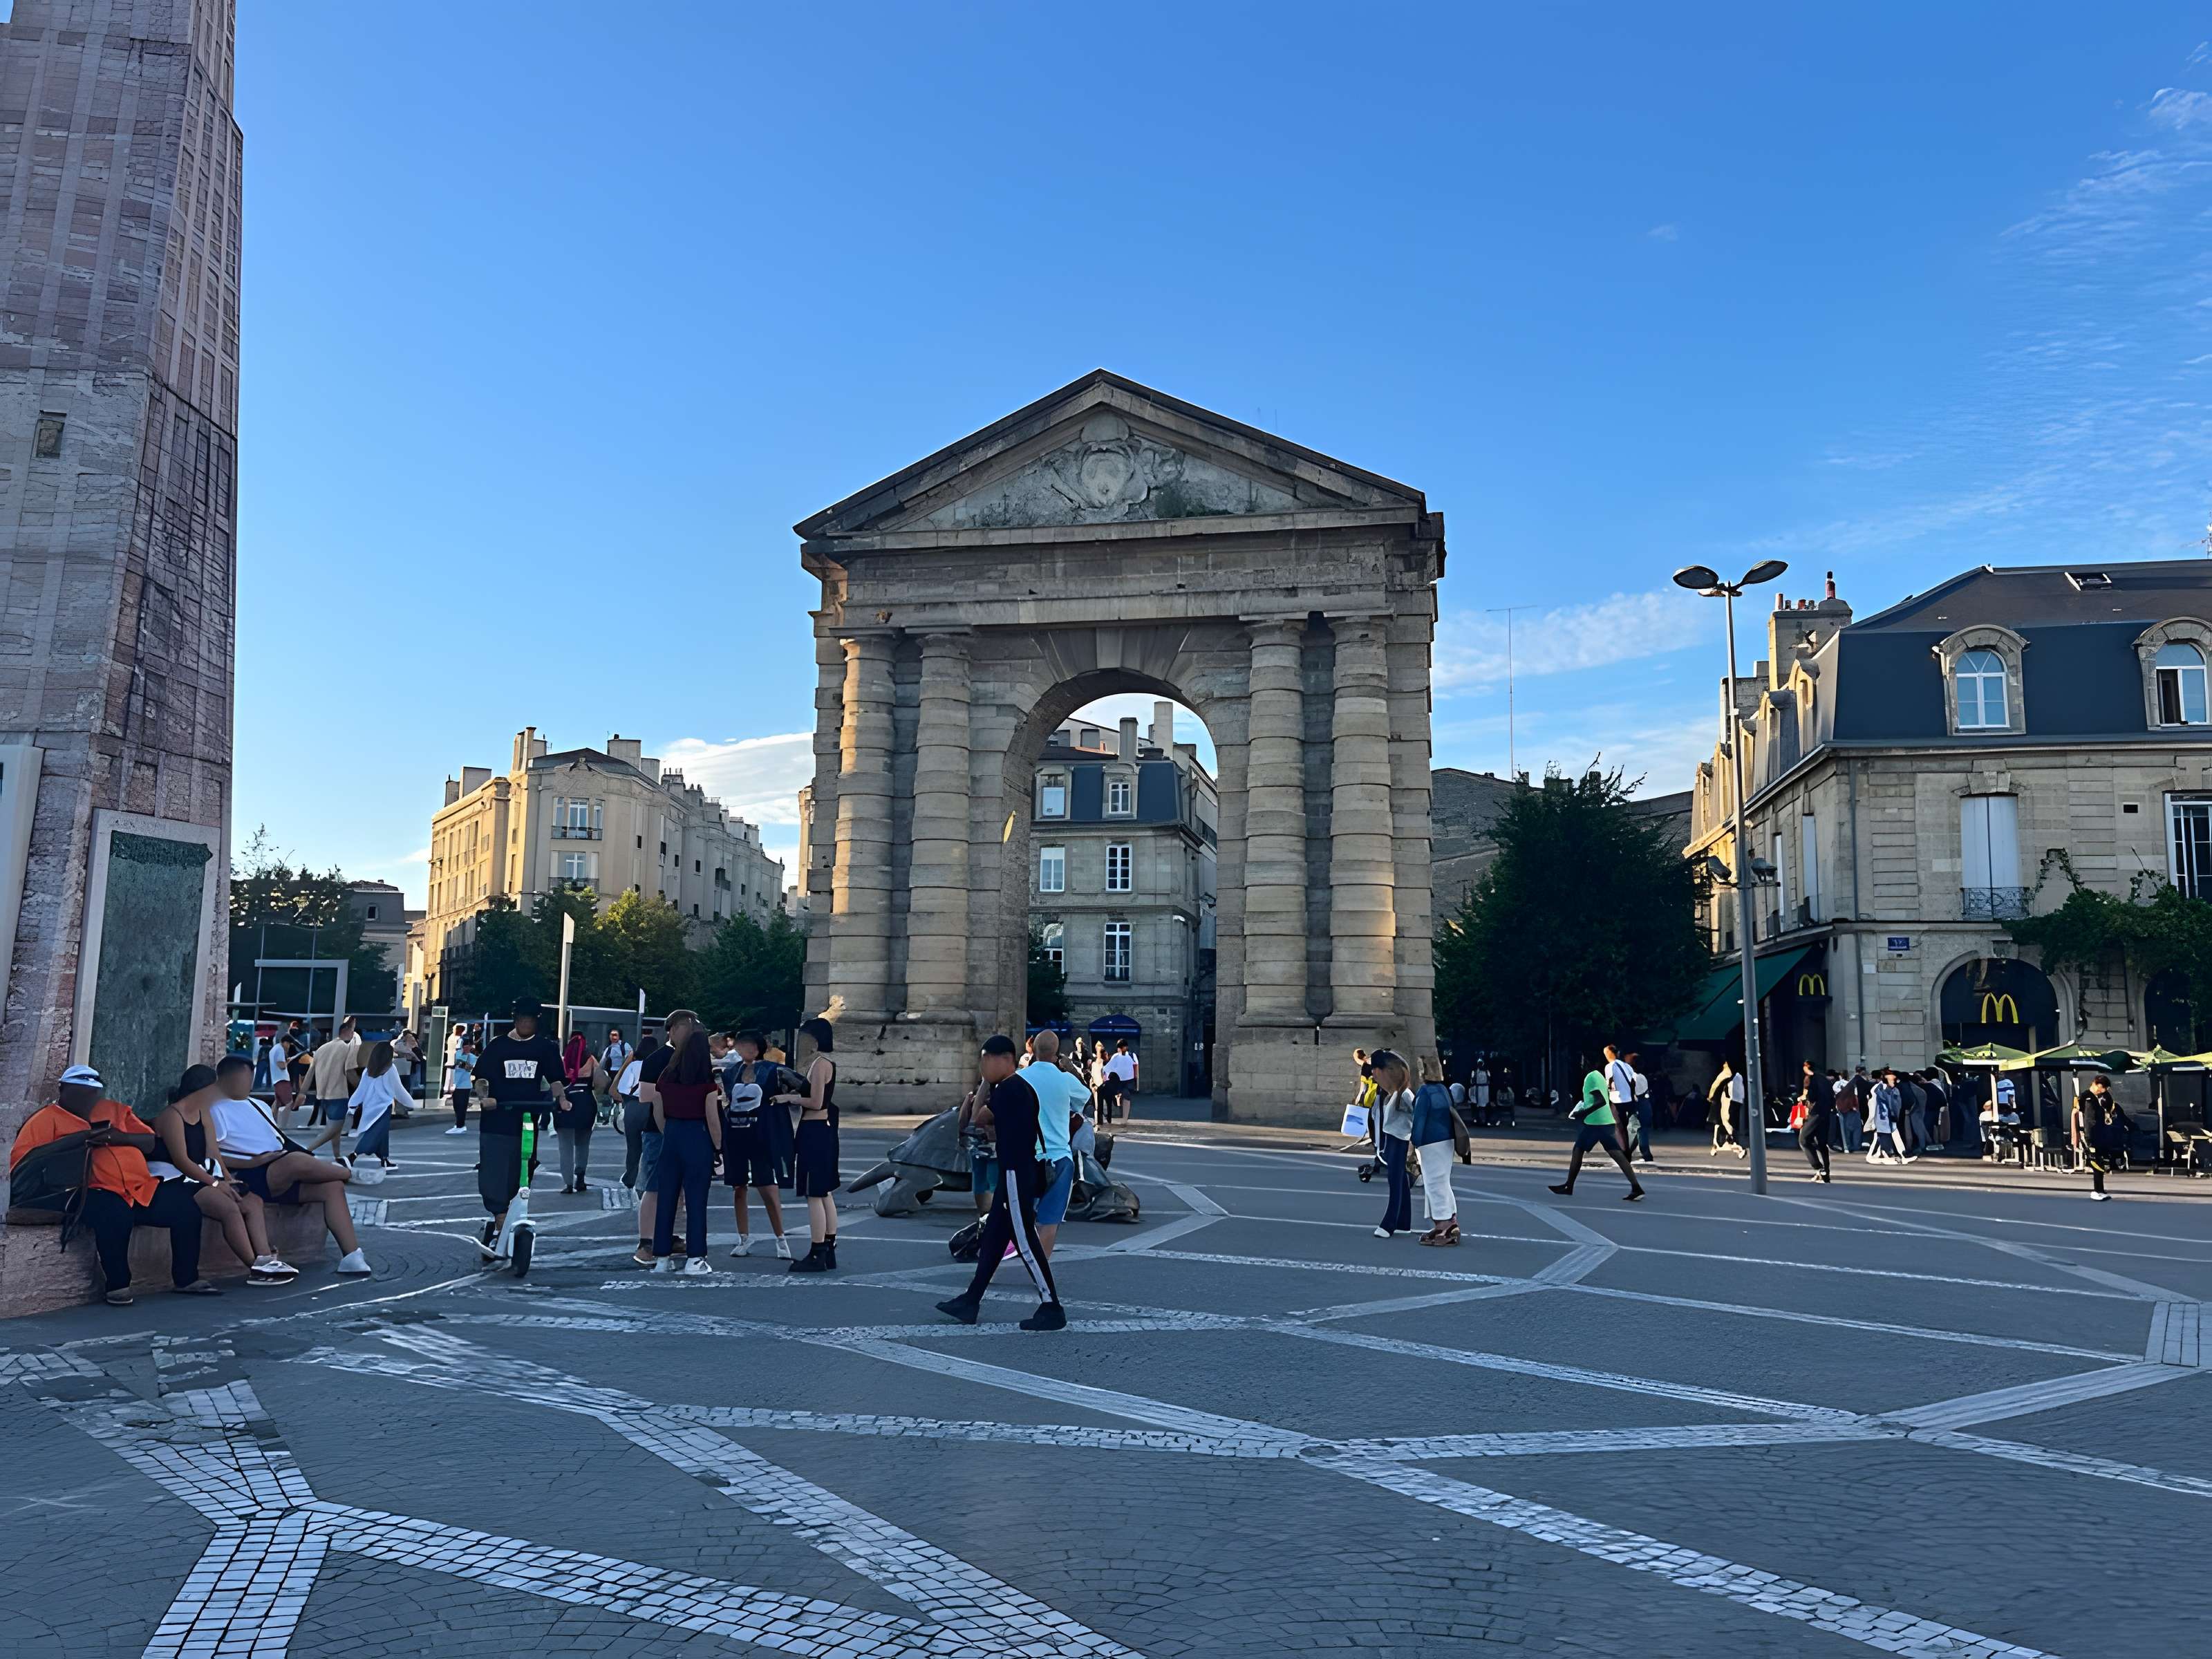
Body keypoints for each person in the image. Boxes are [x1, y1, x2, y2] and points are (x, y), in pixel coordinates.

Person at [9, 1064, 220, 1304]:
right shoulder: (45, 1119)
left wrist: (122, 1138)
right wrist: (77, 1143)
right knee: (114, 1213)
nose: (87, 1098)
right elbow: (24, 1165)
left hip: (137, 1187)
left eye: (92, 1092)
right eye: (79, 1091)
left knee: (184, 1207)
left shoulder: (113, 1111)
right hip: (86, 1190)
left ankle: (186, 1279)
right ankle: (118, 1285)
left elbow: (151, 1141)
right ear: (63, 1089)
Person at [935, 1034, 1066, 1330]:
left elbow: (977, 1118)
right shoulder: (1017, 1088)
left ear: (1004, 1059)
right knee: (994, 1239)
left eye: (985, 1060)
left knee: (1026, 1242)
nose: (982, 1067)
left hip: (1015, 1175)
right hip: (1017, 1172)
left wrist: (984, 1088)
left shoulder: (1009, 1091)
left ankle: (1051, 1306)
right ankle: (971, 1300)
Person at [207, 1055, 373, 1275]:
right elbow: (212, 1155)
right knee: (294, 1162)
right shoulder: (214, 1109)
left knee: (332, 1187)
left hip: (278, 1164)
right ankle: (347, 1172)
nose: (249, 1083)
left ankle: (352, 1256)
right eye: (244, 1078)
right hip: (250, 1172)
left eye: (251, 1077)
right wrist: (253, 1162)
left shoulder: (259, 1106)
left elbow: (276, 1139)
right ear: (227, 1079)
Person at [153, 1065, 295, 1284]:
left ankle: (266, 1259)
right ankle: (255, 1267)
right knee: (229, 1209)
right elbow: (182, 1161)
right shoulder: (172, 1116)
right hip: (178, 1180)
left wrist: (228, 1180)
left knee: (252, 1201)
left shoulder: (203, 1113)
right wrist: (217, 1185)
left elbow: (213, 1153)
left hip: (204, 1176)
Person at [470, 997, 565, 1256]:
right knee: (494, 1171)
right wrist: (484, 1097)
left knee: (524, 1168)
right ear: (515, 1019)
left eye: (531, 1020)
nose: (526, 1023)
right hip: (497, 1119)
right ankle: (501, 1220)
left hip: (527, 1120)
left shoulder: (545, 1048)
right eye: (522, 1019)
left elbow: (556, 1079)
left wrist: (562, 1099)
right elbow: (480, 1078)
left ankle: (513, 1216)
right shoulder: (498, 1046)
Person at [649, 1027, 724, 1273]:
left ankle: (661, 1257)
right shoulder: (706, 1084)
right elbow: (713, 1120)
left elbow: (658, 1112)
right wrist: (718, 1147)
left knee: (667, 1199)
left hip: (671, 1136)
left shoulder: (666, 1077)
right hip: (697, 1138)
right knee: (696, 1201)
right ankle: (695, 1258)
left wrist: (668, 1131)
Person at [774, 1016, 841, 1273]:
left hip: (815, 1130)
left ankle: (817, 1251)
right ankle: (828, 1248)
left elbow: (816, 1102)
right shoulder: (825, 1063)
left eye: (806, 1037)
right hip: (821, 1130)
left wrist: (787, 1098)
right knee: (825, 1193)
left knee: (814, 1194)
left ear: (814, 1039)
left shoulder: (820, 1064)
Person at [721, 1031, 795, 1259]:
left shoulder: (774, 1071)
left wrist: (786, 1099)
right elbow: (728, 1101)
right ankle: (743, 1237)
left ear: (759, 1047)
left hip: (762, 1134)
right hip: (736, 1134)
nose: (747, 1049)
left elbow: (804, 1086)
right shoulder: (731, 1073)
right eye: (743, 1045)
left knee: (767, 1187)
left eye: (751, 1045)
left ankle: (781, 1238)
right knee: (738, 1187)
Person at [1020, 1031, 1091, 1257]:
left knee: (1018, 1217)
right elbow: (1084, 1098)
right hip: (1059, 1158)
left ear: (1034, 1051)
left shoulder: (1020, 1078)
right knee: (1049, 1222)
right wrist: (1068, 1068)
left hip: (1026, 1158)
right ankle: (1040, 1269)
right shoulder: (1065, 1079)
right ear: (1057, 1053)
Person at [634, 1013, 697, 1264]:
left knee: (678, 1189)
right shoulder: (657, 1059)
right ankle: (646, 1242)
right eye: (682, 1027)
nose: (687, 1032)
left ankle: (667, 1235)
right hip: (659, 1130)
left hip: (688, 1127)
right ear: (670, 1030)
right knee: (655, 1186)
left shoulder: (695, 1059)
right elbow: (645, 1095)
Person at [1550, 1049, 1646, 1202]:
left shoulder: (1592, 1077)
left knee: (1578, 1150)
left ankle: (1569, 1186)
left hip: (1596, 1123)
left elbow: (1600, 1101)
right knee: (1618, 1156)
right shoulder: (1600, 1077)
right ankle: (1636, 1187)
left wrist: (1582, 1113)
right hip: (1605, 1122)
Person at [1411, 1056, 1460, 1246]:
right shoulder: (1444, 1090)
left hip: (1430, 1142)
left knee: (1433, 1183)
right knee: (1443, 1180)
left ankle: (1444, 1224)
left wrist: (1414, 1141)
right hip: (1447, 1140)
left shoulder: (1425, 1092)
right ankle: (1451, 1219)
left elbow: (1419, 1119)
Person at [346, 1041, 413, 1170]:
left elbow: (361, 1090)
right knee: (376, 1133)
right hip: (383, 1107)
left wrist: (352, 1105)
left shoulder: (369, 1069)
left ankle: (385, 1159)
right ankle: (353, 1156)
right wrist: (410, 1102)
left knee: (382, 1134)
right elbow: (398, 1090)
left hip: (369, 1106)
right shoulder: (390, 1069)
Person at [1369, 1049, 1416, 1238]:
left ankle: (1388, 1224)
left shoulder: (1404, 1096)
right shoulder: (1395, 1095)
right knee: (1400, 1181)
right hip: (1394, 1140)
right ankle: (1403, 1223)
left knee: (1395, 1181)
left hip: (1400, 1141)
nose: (1374, 1076)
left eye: (1376, 1072)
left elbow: (1414, 1116)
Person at [302, 1017, 362, 1152]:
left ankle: (337, 1155)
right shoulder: (347, 1048)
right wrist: (361, 1090)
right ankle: (306, 1150)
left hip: (323, 1095)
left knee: (335, 1128)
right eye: (353, 1031)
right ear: (347, 1032)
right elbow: (350, 1071)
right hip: (339, 1094)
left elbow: (310, 1073)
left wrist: (302, 1093)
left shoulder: (323, 1049)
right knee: (334, 1128)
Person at [554, 1027, 599, 1194]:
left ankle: (568, 1184)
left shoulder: (562, 1060)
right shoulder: (591, 1061)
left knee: (565, 1147)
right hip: (586, 1103)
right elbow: (602, 1082)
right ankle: (580, 1177)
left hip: (565, 1103)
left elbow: (554, 1083)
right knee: (583, 1144)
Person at [2076, 1078, 2126, 1201]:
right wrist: (2090, 1141)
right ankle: (2097, 1191)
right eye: (2104, 1089)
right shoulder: (2089, 1099)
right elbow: (2089, 1122)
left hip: (2097, 1136)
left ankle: (2100, 1190)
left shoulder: (2091, 1098)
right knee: (2097, 1164)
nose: (2104, 1092)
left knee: (2100, 1164)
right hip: (2092, 1137)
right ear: (2098, 1085)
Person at [959, 1071, 998, 1219]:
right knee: (992, 1183)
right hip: (992, 1146)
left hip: (978, 1142)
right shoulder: (1000, 1087)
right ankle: (990, 1218)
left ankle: (985, 1218)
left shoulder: (977, 1091)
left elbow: (966, 1120)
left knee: (981, 1181)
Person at [1797, 1060, 1834, 1184]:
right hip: (1826, 1114)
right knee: (1822, 1144)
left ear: (1806, 1068)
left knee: (1804, 1139)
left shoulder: (1809, 1079)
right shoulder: (1825, 1080)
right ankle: (1826, 1174)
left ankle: (1818, 1167)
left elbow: (1810, 1097)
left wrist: (1802, 1099)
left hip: (1814, 1113)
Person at [1868, 1068, 1913, 1165]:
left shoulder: (1883, 1090)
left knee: (1888, 1136)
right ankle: (1890, 1153)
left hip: (1886, 1117)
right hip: (1885, 1117)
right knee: (1884, 1136)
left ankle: (1896, 1153)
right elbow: (1892, 1103)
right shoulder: (1884, 1090)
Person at [1707, 1062, 1746, 1159]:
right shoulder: (1738, 1075)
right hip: (1737, 1101)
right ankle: (1725, 1141)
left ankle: (1734, 1142)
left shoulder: (1727, 1073)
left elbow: (1716, 1085)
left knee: (1725, 1121)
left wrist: (1710, 1096)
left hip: (1728, 1100)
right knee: (1726, 1121)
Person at [444, 1031, 478, 1134]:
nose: (466, 1048)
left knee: (462, 1106)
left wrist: (462, 1063)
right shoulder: (458, 1053)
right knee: (456, 1105)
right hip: (456, 1083)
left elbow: (470, 1069)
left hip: (465, 1085)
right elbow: (453, 1064)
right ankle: (458, 1124)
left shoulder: (472, 1057)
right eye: (464, 1045)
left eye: (468, 1046)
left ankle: (461, 1125)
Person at [1624, 1049, 1654, 1163]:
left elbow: (1633, 1094)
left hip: (1638, 1106)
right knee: (1640, 1131)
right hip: (1644, 1105)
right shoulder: (1642, 1077)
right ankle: (1636, 1153)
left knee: (1636, 1131)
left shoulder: (1635, 1078)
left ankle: (1645, 1154)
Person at [1102, 1039, 1138, 1122]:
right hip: (1118, 1081)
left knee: (1126, 1097)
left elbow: (1136, 1068)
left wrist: (1136, 1080)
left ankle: (1125, 1119)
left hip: (1127, 1081)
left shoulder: (1132, 1056)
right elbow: (1109, 1068)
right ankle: (1121, 1117)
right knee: (1121, 1098)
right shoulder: (1116, 1056)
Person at [1833, 1071, 1864, 1154]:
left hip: (1840, 1108)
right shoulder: (1852, 1085)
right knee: (1855, 1128)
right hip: (1851, 1108)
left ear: (1840, 1076)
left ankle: (1846, 1146)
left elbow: (1835, 1094)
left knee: (1844, 1129)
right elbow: (1856, 1096)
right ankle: (1855, 1146)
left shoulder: (1836, 1084)